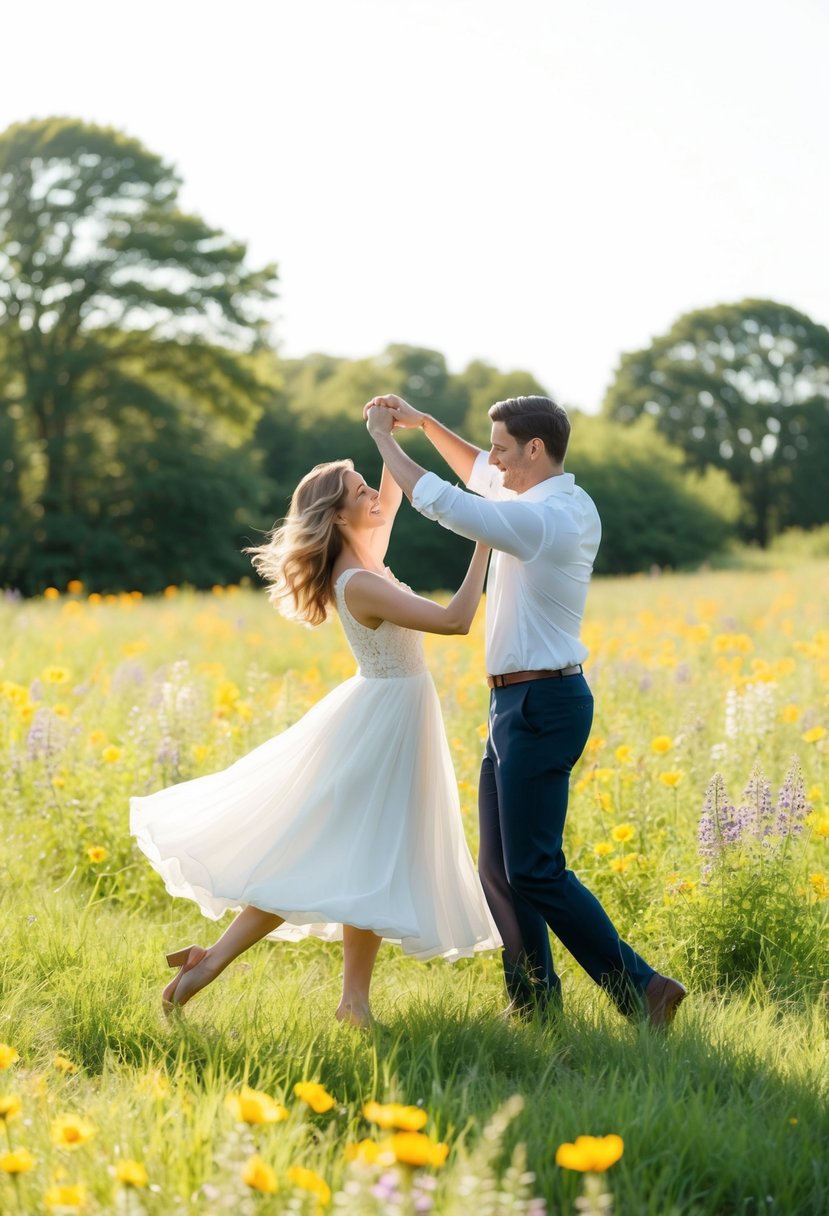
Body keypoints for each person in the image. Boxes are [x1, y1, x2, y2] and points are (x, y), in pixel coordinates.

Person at [130, 459, 500, 1027]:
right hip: (382, 726)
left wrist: (387, 434)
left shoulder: (364, 555)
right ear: (340, 514)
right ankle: (225, 966)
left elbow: (393, 495)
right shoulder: (361, 580)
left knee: (365, 859)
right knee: (335, 856)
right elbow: (455, 621)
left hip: (391, 716)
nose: (373, 493)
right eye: (360, 490)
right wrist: (485, 541)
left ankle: (334, 997)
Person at [363, 395, 686, 1029]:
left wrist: (385, 442)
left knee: (534, 868)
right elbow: (478, 473)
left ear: (534, 450)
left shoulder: (547, 520)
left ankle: (644, 989)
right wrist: (425, 425)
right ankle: (533, 1001)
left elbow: (449, 503)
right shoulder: (538, 497)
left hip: (541, 701)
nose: (495, 462)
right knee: (500, 868)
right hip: (514, 702)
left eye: (505, 450)